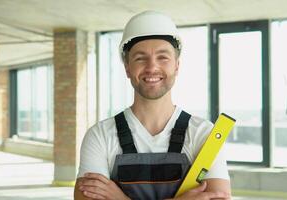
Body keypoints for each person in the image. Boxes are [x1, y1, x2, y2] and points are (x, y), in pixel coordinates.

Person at [74, 10, 231, 200]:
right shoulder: (99, 136)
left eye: (162, 57)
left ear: (176, 66)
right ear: (127, 68)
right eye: (140, 58)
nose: (151, 67)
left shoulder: (204, 134)